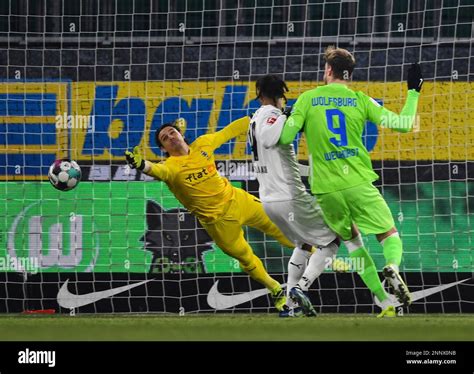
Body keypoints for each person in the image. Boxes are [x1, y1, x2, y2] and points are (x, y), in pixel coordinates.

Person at [279, 46, 423, 317]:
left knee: (353, 243)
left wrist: (288, 117)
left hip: (325, 189)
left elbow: (286, 139)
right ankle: (392, 266)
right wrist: (414, 92)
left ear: (329, 70)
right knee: (388, 234)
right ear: (349, 74)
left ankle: (385, 303)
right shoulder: (361, 100)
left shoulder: (308, 99)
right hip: (357, 182)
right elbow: (405, 123)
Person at [125, 116, 295, 312]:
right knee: (246, 259)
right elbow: (155, 170)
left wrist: (259, 117)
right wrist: (140, 165)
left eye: (172, 132)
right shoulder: (170, 168)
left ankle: (316, 256)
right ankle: (275, 289)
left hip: (239, 200)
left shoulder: (203, 144)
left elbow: (229, 132)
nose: (170, 137)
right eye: (165, 138)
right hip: (219, 224)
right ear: (163, 149)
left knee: (283, 229)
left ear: (181, 134)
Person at [248, 74, 340, 317]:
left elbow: (281, 160)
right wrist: (287, 114)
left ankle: (290, 305)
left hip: (269, 200)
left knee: (303, 243)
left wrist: (316, 171)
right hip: (289, 196)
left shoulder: (254, 119)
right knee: (333, 239)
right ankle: (302, 287)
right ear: (279, 95)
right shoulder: (273, 115)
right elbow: (269, 139)